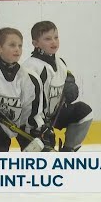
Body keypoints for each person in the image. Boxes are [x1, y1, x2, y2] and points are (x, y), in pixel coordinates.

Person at [22, 21, 93, 152]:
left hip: (52, 116)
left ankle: (68, 151)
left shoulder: (59, 62)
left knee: (83, 111)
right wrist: (40, 126)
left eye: (56, 37)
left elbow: (66, 76)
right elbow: (27, 107)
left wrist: (70, 83)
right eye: (47, 39)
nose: (53, 42)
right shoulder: (31, 67)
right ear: (35, 43)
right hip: (32, 122)